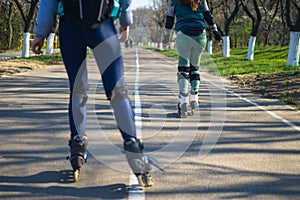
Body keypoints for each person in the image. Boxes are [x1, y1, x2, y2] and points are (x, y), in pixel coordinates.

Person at [31, 0, 153, 187]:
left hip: (70, 28)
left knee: (78, 89)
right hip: (103, 27)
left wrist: (41, 33)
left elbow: (49, 2)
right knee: (117, 91)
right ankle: (134, 149)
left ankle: (77, 148)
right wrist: (125, 20)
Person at [163, 0, 222, 118]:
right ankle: (194, 97)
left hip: (183, 35)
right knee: (195, 68)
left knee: (183, 69)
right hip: (200, 35)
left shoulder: (173, 1)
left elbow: (170, 19)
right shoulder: (201, 0)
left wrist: (166, 37)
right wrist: (216, 33)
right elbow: (208, 16)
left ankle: (183, 101)